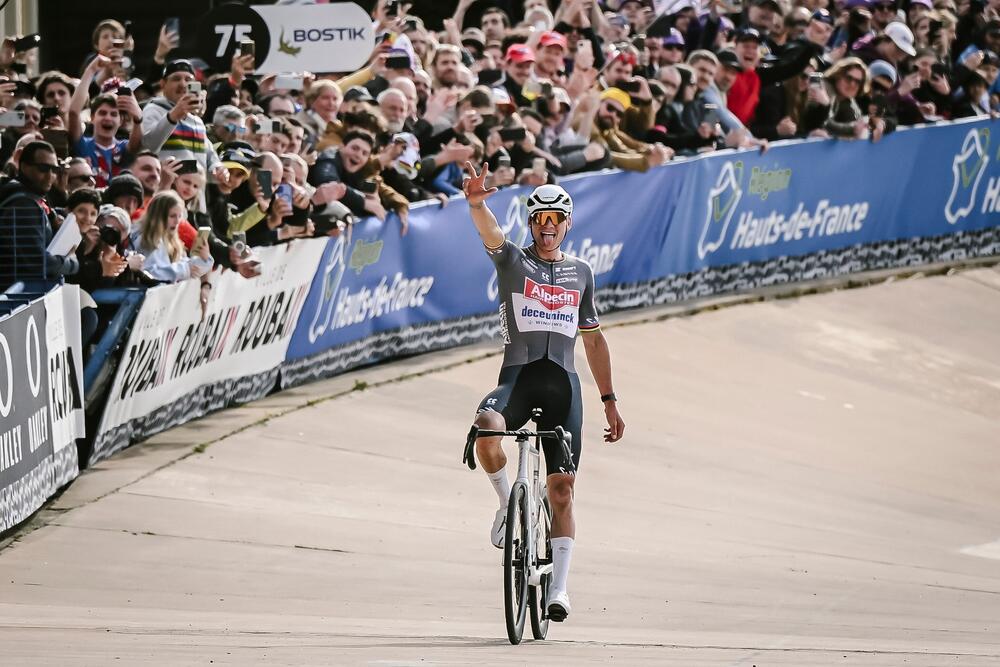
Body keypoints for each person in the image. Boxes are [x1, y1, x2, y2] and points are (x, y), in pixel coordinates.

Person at [462, 161, 625, 624]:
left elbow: (593, 339)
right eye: (540, 220)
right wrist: (476, 204)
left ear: (568, 224)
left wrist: (609, 401)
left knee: (562, 492)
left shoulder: (582, 272)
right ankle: (502, 503)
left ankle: (559, 587)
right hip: (518, 378)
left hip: (564, 389)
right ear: (531, 223)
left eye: (556, 220)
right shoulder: (515, 260)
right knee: (486, 429)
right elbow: (491, 234)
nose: (548, 227)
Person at [0, 141, 78, 291]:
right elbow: (38, 263)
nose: (50, 176)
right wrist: (72, 263)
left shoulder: (31, 199)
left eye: (55, 170)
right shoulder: (22, 205)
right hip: (15, 301)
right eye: (43, 169)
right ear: (24, 167)